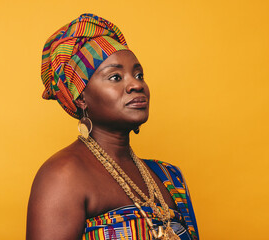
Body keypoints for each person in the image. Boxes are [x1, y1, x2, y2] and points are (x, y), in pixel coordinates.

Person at [26, 13, 199, 240]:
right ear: (81, 98)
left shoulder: (170, 177)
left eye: (139, 74)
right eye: (116, 77)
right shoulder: (64, 175)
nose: (136, 84)